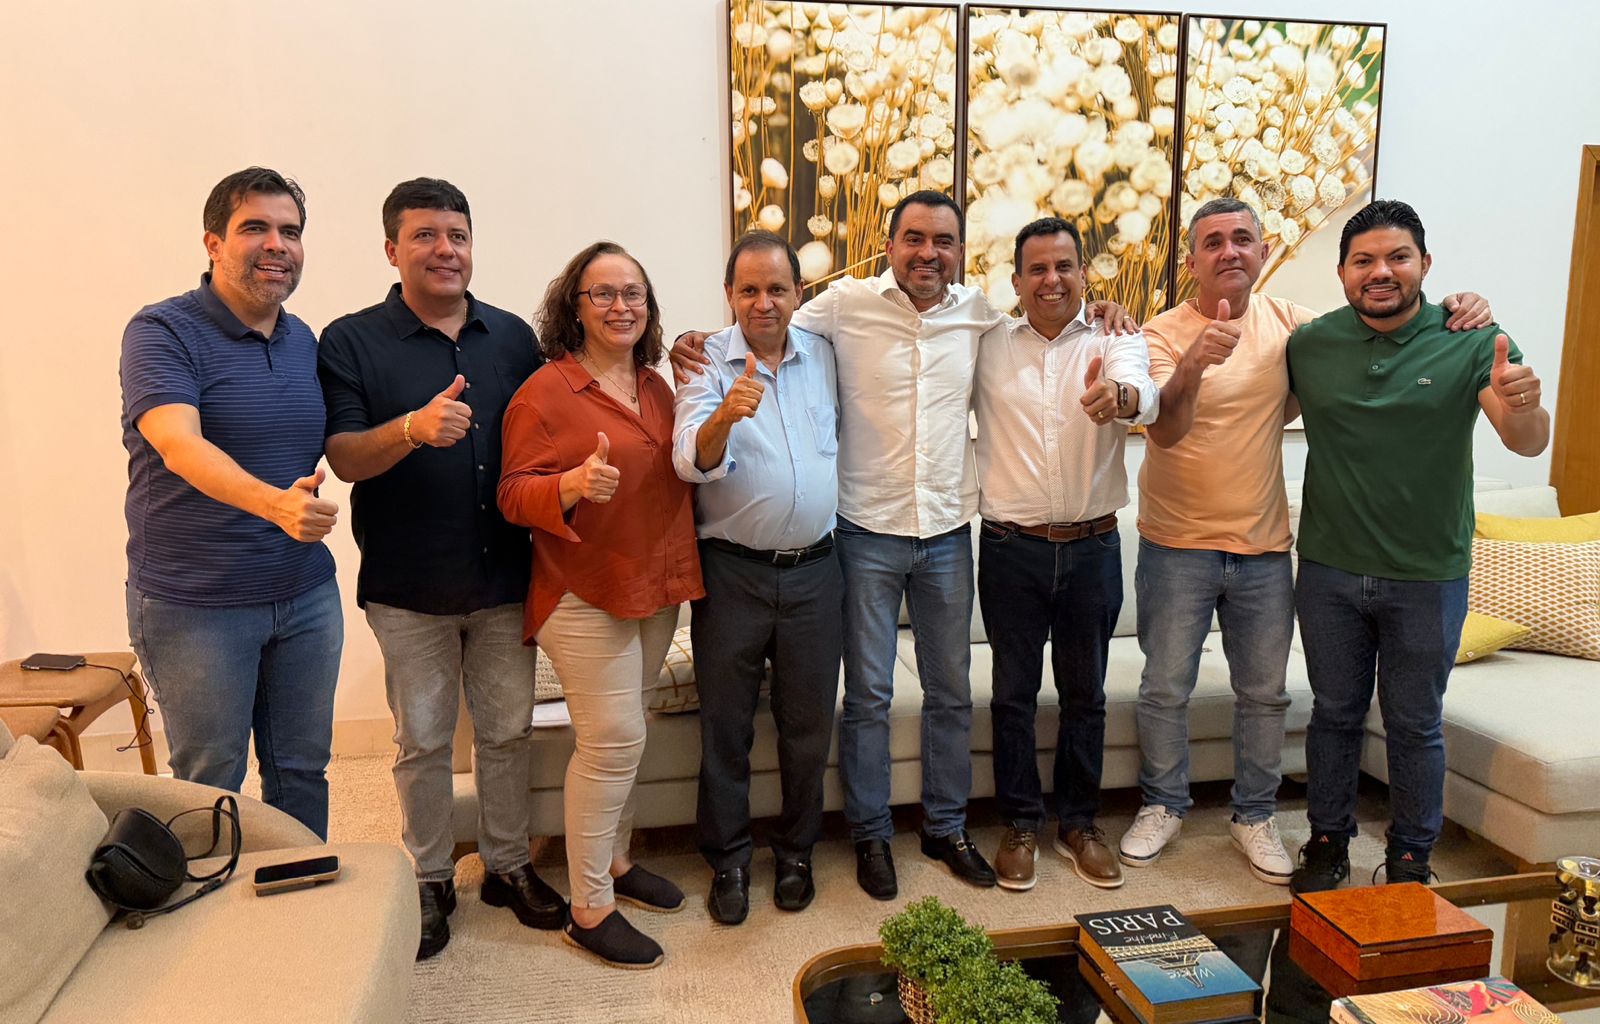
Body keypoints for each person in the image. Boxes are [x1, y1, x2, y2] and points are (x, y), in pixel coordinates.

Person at [672, 192, 1135, 900]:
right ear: (889, 246)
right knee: (868, 697)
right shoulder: (842, 307)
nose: (928, 253)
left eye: (943, 241)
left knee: (951, 694)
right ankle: (870, 835)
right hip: (864, 534)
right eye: (914, 238)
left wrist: (1101, 310)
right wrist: (695, 339)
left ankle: (946, 828)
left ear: (960, 252)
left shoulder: (981, 316)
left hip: (947, 533)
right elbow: (765, 317)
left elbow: (1047, 317)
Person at [1121, 197, 1493, 885]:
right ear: (1191, 260)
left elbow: (1374, 325)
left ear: (1263, 253)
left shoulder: (1296, 328)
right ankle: (1163, 804)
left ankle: (1255, 815)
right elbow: (1163, 430)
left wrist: (1459, 304)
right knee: (1165, 688)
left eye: (1242, 239)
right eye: (1212, 242)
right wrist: (1195, 362)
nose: (1229, 251)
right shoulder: (1160, 333)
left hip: (1265, 547)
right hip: (1176, 544)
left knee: (1265, 695)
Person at [318, 178, 560, 960]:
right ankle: (427, 876)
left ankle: (508, 865)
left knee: (507, 734)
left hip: (505, 581)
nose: (445, 250)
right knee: (422, 741)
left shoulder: (513, 337)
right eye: (425, 236)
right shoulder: (350, 341)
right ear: (392, 250)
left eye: (457, 235)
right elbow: (344, 456)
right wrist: (411, 430)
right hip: (409, 587)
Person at [1286, 199, 1547, 892]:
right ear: (1342, 273)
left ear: (1424, 264)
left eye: (1397, 257)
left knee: (1415, 722)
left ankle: (1410, 856)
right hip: (1330, 570)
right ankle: (1327, 842)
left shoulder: (1475, 339)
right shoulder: (1310, 344)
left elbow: (1525, 440)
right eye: (1363, 260)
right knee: (1333, 714)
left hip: (1428, 574)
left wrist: (1525, 405)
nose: (1381, 271)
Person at [498, 241, 703, 969]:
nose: (621, 306)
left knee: (631, 734)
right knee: (612, 740)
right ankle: (589, 908)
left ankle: (617, 860)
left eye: (633, 293)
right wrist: (571, 485)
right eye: (604, 293)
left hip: (654, 587)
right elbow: (511, 494)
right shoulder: (544, 392)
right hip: (583, 593)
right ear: (575, 307)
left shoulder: (657, 386)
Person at [120, 167, 341, 838]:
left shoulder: (303, 340)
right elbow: (179, 445)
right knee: (211, 778)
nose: (277, 245)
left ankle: (301, 888)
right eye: (256, 228)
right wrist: (275, 506)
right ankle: (211, 900)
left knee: (302, 770)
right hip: (197, 604)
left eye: (290, 231)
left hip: (305, 596)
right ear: (214, 242)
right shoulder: (162, 331)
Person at [977, 218, 1158, 892]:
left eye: (1064, 267)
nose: (1051, 280)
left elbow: (1145, 393)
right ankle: (1021, 823)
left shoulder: (1115, 337)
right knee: (1013, 695)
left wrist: (1123, 397)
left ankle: (1079, 824)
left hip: (1093, 549)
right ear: (1016, 280)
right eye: (1037, 269)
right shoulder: (986, 343)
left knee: (1086, 695)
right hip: (1010, 549)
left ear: (1084, 274)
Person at [671, 232, 841, 924]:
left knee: (807, 728)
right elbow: (688, 458)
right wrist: (724, 415)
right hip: (733, 574)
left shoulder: (826, 354)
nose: (763, 302)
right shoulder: (705, 360)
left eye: (776, 288)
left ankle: (796, 853)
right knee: (727, 727)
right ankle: (730, 861)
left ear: (799, 293)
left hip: (816, 574)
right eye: (748, 290)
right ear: (729, 295)